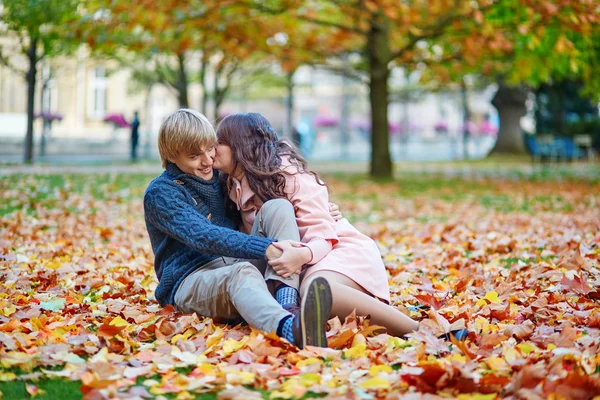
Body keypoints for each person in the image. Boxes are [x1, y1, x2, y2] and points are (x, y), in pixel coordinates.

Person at [213, 113, 422, 338]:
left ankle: (418, 332)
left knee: (317, 289)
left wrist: (302, 255)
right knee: (308, 292)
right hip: (293, 264)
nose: (213, 148)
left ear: (241, 146)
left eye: (220, 142)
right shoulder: (227, 183)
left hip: (333, 250)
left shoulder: (288, 176)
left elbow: (324, 236)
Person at [143, 108, 332, 348]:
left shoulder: (219, 178)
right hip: (190, 280)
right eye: (194, 156)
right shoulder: (161, 193)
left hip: (236, 265)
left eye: (210, 148)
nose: (207, 160)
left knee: (278, 207)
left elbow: (268, 186)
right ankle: (292, 330)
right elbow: (203, 235)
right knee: (241, 272)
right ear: (172, 155)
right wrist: (267, 248)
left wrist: (323, 207)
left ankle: (287, 302)